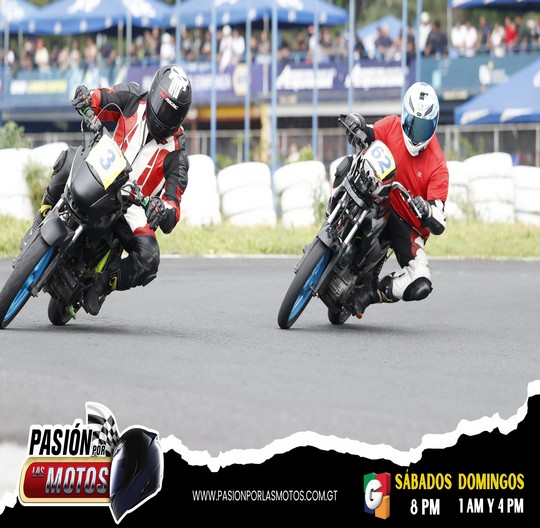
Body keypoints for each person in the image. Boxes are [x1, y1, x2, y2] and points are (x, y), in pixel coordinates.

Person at [21, 64, 192, 316]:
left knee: (149, 259)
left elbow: (173, 205)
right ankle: (43, 215)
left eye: (172, 113)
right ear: (154, 92)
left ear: (181, 116)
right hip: (102, 171)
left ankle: (104, 283)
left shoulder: (177, 153)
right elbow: (102, 98)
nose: (164, 115)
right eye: (162, 105)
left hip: (133, 205)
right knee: (67, 159)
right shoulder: (132, 98)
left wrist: (161, 209)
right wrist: (86, 98)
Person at [330, 81, 448, 318]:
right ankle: (331, 222)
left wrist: (426, 210)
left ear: (434, 124)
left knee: (421, 282)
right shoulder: (392, 125)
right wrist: (356, 124)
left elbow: (439, 217)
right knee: (347, 164)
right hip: (375, 194)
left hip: (403, 223)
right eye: (412, 122)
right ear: (404, 114)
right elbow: (369, 132)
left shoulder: (438, 166)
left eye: (423, 127)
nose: (415, 132)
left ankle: (371, 292)